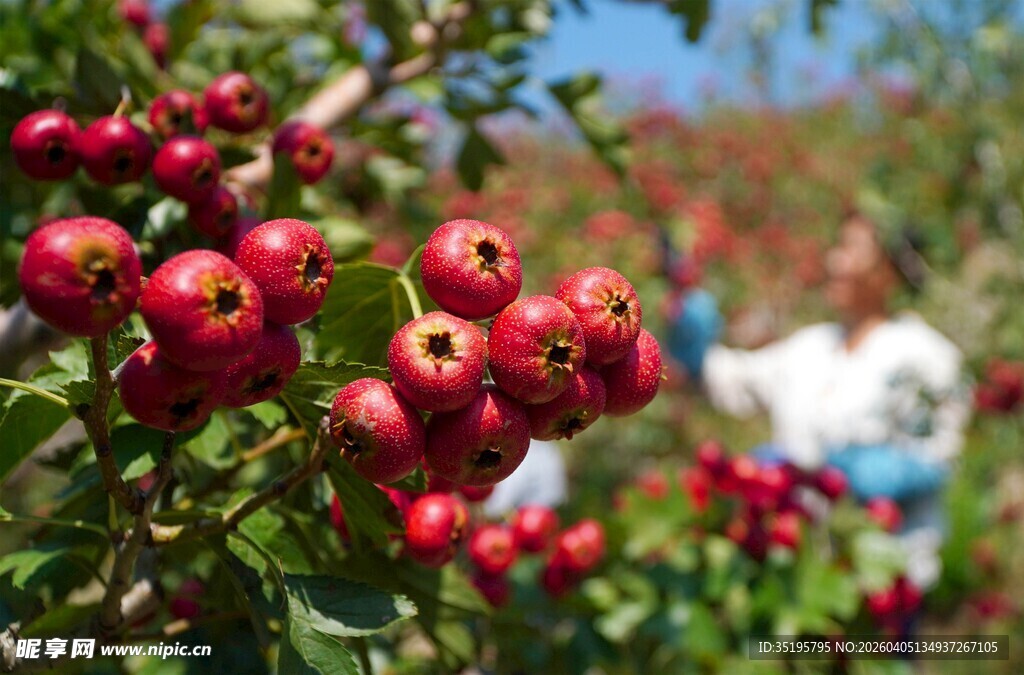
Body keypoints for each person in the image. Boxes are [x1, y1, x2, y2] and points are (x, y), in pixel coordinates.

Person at [668, 211, 972, 589]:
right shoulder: (810, 348)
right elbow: (734, 380)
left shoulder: (928, 357)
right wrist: (693, 340)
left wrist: (887, 471)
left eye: (851, 249)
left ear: (890, 269)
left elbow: (940, 452)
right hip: (800, 574)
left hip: (887, 584)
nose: (835, 261)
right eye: (837, 247)